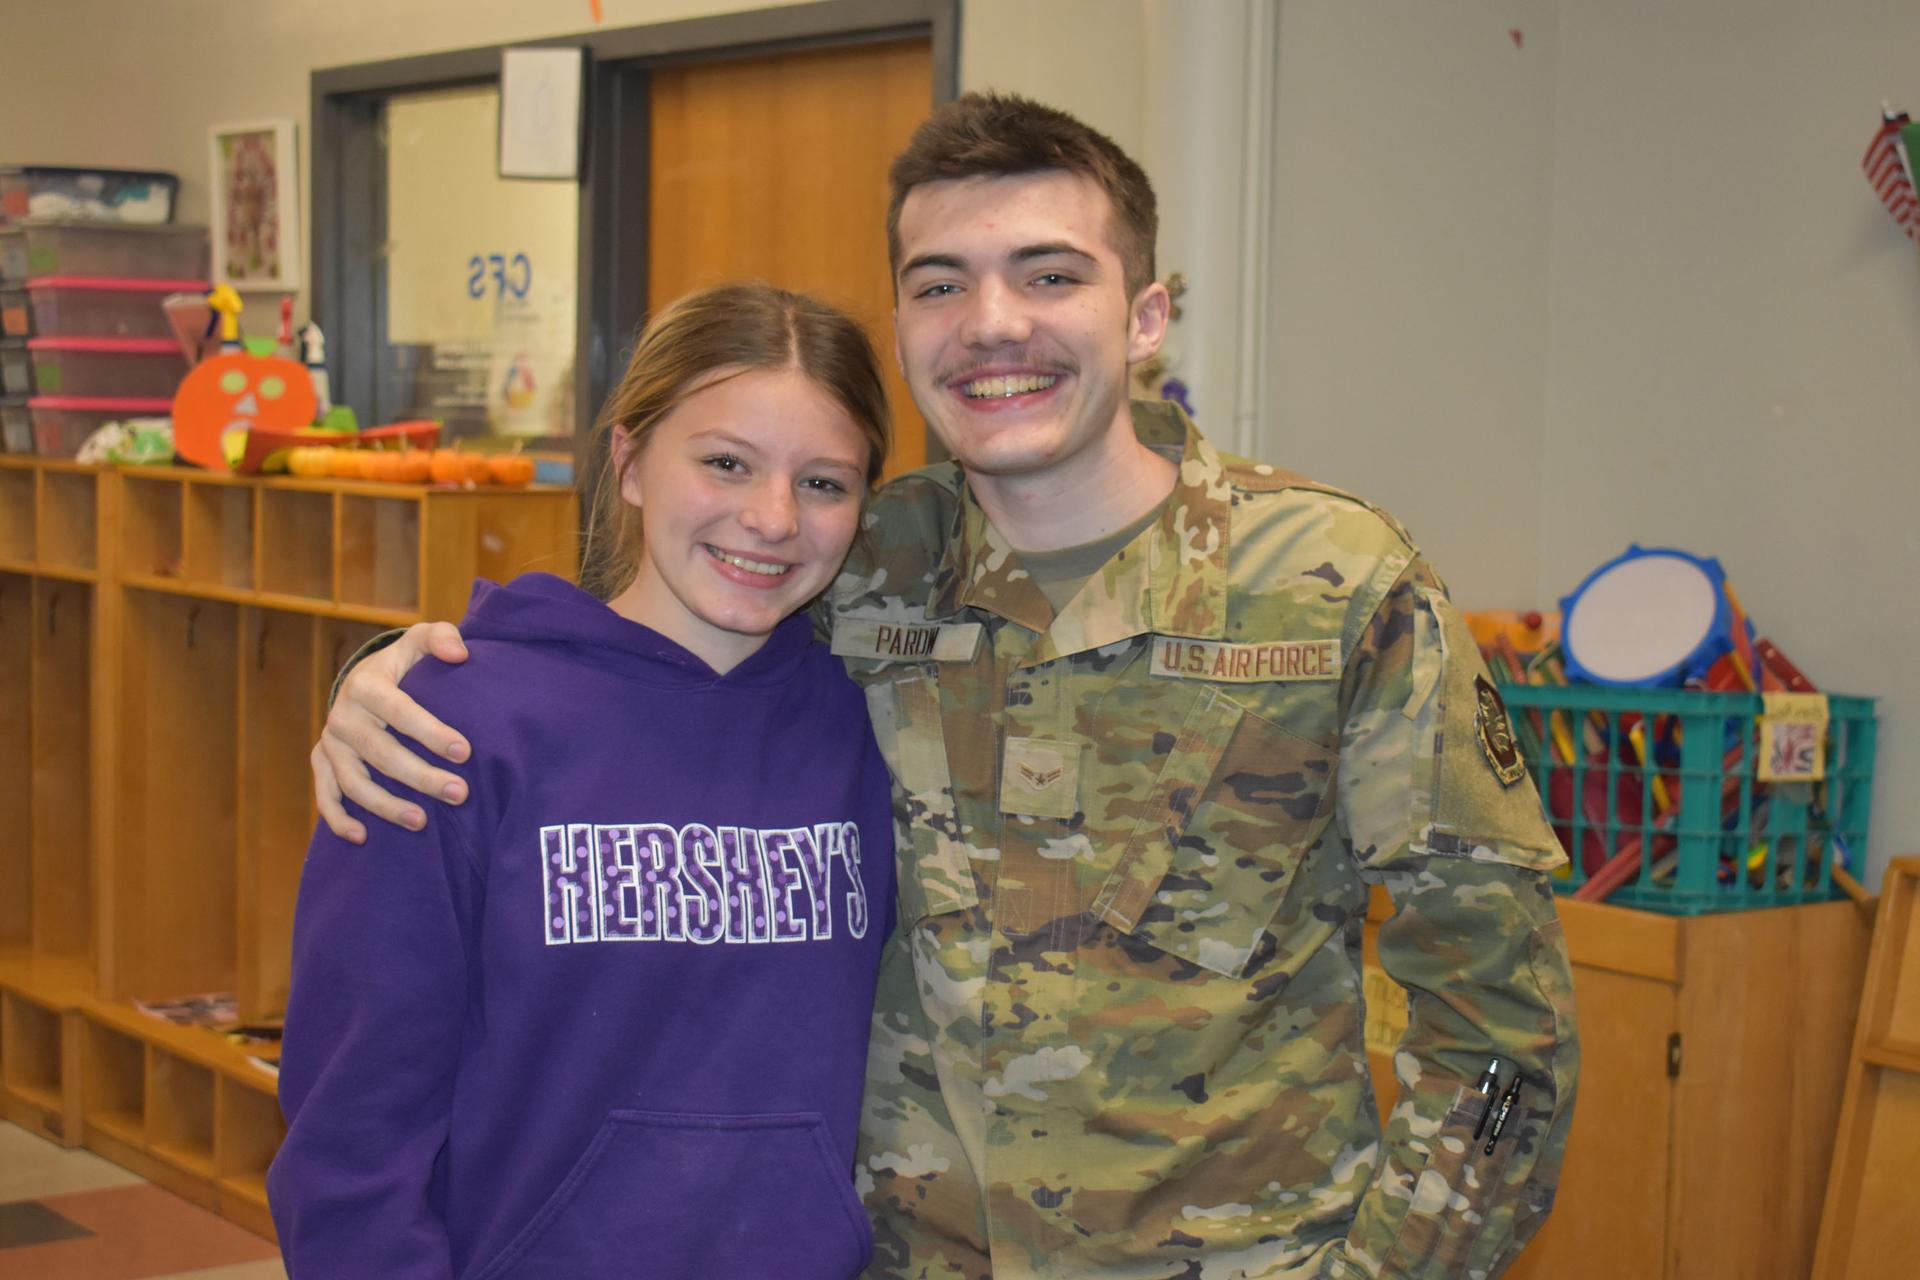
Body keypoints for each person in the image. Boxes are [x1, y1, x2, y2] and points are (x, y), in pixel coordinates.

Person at [313, 95, 1579, 1280]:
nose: (992, 323)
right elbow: (637, 659)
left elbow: (1501, 1027)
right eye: (940, 284)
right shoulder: (861, 566)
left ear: (1145, 317)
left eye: (1049, 274)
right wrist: (385, 676)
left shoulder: (1334, 587)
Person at [268, 282, 898, 1279]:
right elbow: (352, 1129)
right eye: (726, 462)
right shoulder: (447, 724)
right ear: (631, 460)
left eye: (825, 482)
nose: (773, 516)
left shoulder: (875, 722)